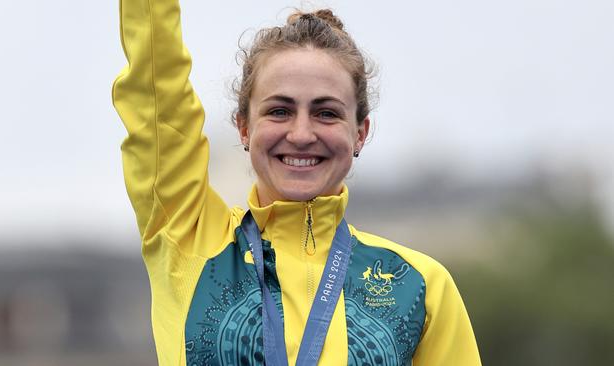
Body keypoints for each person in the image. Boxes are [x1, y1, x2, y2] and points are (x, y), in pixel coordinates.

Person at [112, 0, 482, 365]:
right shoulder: (189, 239)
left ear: (359, 133)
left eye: (326, 113)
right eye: (279, 111)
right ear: (244, 126)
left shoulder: (417, 286)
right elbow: (156, 85)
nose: (302, 134)